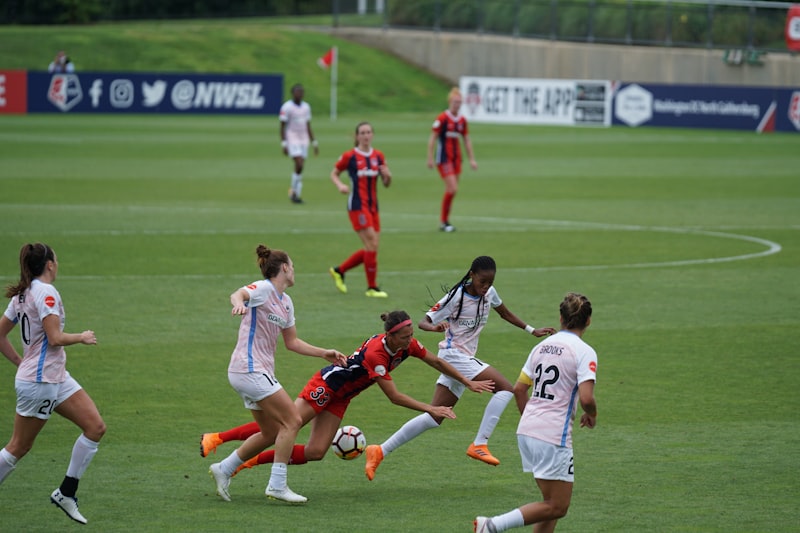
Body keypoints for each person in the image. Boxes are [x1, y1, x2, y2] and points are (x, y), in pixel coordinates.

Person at [200, 310, 494, 477]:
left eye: (410, 336)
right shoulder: (377, 355)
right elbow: (394, 397)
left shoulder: (407, 345)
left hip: (341, 397)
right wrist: (432, 409)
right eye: (404, 337)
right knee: (282, 427)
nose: (410, 341)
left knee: (315, 452)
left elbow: (437, 361)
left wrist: (468, 382)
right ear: (390, 335)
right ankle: (217, 438)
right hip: (325, 387)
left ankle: (251, 460)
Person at [364, 256, 556, 481]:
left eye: (490, 282)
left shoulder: (489, 293)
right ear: (472, 275)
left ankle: (379, 450)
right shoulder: (456, 297)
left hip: (464, 358)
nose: (486, 287)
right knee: (505, 389)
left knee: (433, 417)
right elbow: (424, 321)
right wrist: (435, 327)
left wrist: (531, 330)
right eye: (482, 281)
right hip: (453, 356)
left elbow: (505, 313)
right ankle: (480, 443)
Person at [208, 244, 346, 504]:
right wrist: (238, 304)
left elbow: (292, 342)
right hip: (249, 369)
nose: (295, 271)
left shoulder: (286, 302)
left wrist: (323, 352)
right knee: (292, 421)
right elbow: (238, 294)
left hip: (252, 372)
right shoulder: (263, 290)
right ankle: (277, 485)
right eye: (292, 266)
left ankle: (224, 469)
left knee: (271, 432)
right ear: (284, 268)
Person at [474, 292, 598, 533]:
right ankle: (491, 525)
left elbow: (519, 389)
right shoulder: (584, 351)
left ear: (561, 318)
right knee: (557, 506)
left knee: (549, 505)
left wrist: (531, 421)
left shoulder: (541, 347)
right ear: (588, 321)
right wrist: (592, 414)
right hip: (553, 435)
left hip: (528, 430)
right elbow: (586, 398)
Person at [0, 243, 106, 525]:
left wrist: (21, 361)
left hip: (55, 376)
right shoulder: (46, 292)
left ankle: (66, 493)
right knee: (18, 447)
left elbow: (1, 335)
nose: (57, 264)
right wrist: (82, 337)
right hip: (40, 381)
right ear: (49, 264)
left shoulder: (23, 294)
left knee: (95, 427)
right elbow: (55, 338)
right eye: (56, 260)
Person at [328, 121, 392, 298]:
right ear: (357, 136)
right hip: (357, 206)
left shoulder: (378, 156)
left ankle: (339, 270)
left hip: (373, 207)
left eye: (368, 132)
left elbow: (386, 184)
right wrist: (340, 185)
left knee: (372, 246)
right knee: (371, 243)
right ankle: (371, 288)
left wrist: (387, 176)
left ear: (372, 135)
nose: (365, 135)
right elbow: (334, 173)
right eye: (362, 133)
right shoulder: (350, 156)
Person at [427, 86, 477, 233]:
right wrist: (430, 157)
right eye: (455, 102)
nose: (457, 104)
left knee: (452, 190)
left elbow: (466, 140)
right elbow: (433, 138)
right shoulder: (442, 118)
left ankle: (445, 222)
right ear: (450, 102)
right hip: (444, 159)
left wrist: (472, 159)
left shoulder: (462, 120)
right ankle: (444, 221)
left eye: (460, 102)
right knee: (453, 188)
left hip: (457, 159)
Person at [279, 83, 317, 204]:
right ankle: (294, 191)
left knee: (300, 167)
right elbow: (282, 126)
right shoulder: (286, 107)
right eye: (297, 92)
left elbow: (308, 125)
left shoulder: (306, 107)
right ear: (292, 93)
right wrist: (284, 144)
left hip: (303, 138)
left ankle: (295, 193)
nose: (300, 94)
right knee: (299, 163)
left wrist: (314, 142)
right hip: (292, 137)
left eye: (301, 92)